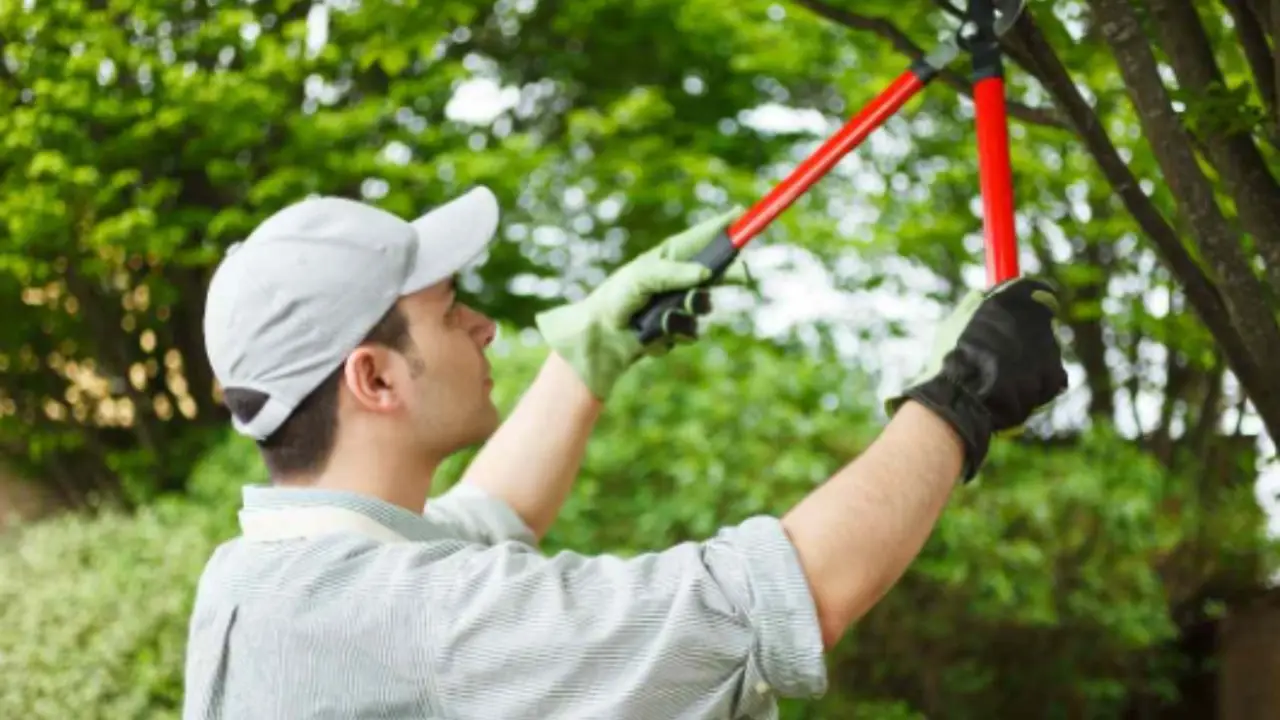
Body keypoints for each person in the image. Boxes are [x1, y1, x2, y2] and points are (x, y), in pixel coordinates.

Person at [183, 185, 1068, 719]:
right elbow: (771, 605)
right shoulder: (409, 616)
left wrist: (594, 350)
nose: (483, 326)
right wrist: (962, 397)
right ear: (373, 380)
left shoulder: (263, 577)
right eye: (452, 312)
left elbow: (494, 520)